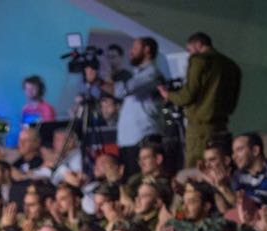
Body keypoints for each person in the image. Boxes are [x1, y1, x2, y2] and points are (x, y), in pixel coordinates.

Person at [83, 38, 165, 172]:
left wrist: (98, 81)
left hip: (143, 139)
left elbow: (122, 90)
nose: (130, 52)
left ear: (147, 50)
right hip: (128, 141)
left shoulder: (152, 73)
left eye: (134, 48)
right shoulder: (136, 74)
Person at [161, 32, 242, 167]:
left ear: (198, 45)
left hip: (200, 128)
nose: (189, 55)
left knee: (196, 168)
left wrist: (168, 94)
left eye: (189, 50)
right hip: (221, 126)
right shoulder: (231, 66)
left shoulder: (199, 60)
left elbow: (187, 95)